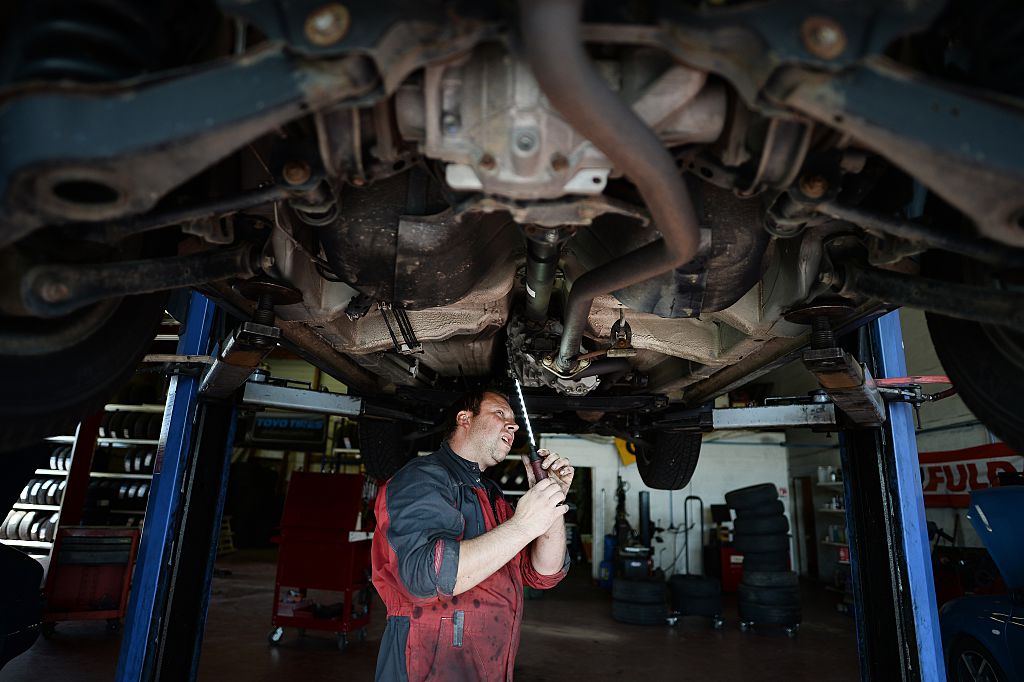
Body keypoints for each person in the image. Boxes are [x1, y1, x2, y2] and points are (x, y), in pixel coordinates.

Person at [371, 389, 573, 681]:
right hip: (425, 666)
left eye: (515, 420)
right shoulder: (421, 478)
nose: (513, 425)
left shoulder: (493, 497)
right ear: (465, 418)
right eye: (500, 413)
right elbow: (425, 577)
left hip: (487, 667)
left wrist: (552, 501)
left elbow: (544, 573)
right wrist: (523, 526)